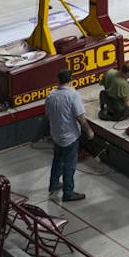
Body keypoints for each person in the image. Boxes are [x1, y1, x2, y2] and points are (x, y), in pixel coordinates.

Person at [44, 68, 90, 202]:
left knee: (57, 160)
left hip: (56, 135)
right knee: (69, 165)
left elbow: (47, 114)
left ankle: (53, 183)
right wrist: (89, 131)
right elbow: (80, 117)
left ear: (57, 80)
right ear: (71, 80)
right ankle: (68, 193)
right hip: (70, 136)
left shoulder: (51, 95)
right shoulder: (72, 95)